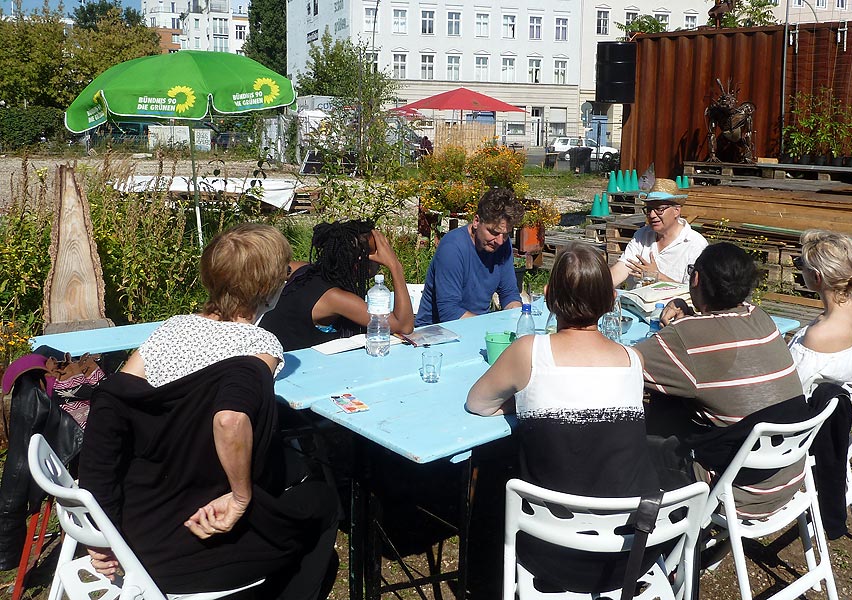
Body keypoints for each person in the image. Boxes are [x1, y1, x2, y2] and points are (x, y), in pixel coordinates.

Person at [80, 223, 339, 600]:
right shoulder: (259, 344)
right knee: (323, 503)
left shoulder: (171, 329)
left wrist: (100, 527)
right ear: (270, 288)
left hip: (139, 526)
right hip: (199, 537)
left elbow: (109, 408)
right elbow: (230, 417)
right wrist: (240, 496)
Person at [466, 242, 658, 593]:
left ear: (549, 296)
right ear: (610, 299)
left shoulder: (529, 352)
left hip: (549, 552)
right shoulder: (633, 360)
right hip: (628, 554)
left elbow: (478, 404)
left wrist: (525, 399)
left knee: (492, 466)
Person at [636, 242, 807, 519]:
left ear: (696, 279)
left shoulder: (687, 337)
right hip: (786, 477)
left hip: (735, 490)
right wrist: (693, 318)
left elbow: (622, 365)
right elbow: (715, 350)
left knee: (638, 429)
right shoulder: (760, 318)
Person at [259, 219, 414, 351]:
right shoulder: (335, 298)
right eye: (378, 252)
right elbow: (404, 326)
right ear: (359, 262)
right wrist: (395, 266)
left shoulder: (304, 270)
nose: (383, 257)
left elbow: (269, 268)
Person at [788, 229, 852, 396]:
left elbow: (789, 389)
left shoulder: (818, 335)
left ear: (817, 277)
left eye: (800, 264)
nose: (799, 268)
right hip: (832, 395)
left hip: (800, 412)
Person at [416, 187, 524, 326]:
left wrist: (517, 315)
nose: (499, 241)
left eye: (506, 234)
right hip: (436, 331)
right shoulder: (452, 248)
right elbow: (449, 313)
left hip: (477, 325)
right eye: (493, 232)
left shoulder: (503, 244)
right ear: (476, 221)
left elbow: (509, 293)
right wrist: (490, 326)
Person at [609, 178, 708, 289]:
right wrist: (596, 288)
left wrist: (658, 277)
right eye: (649, 209)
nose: (652, 215)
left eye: (659, 209)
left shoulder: (695, 244)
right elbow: (621, 269)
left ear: (676, 211)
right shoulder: (641, 235)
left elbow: (694, 291)